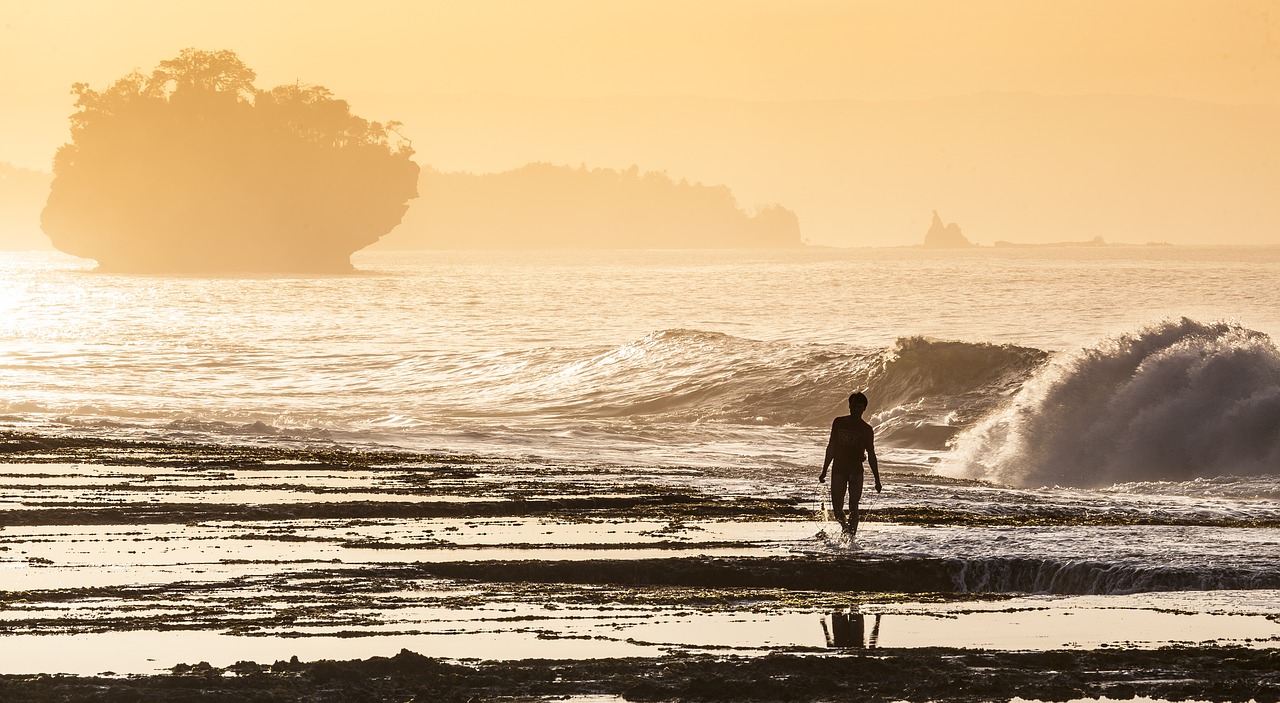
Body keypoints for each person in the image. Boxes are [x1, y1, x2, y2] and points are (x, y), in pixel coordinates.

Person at [819, 391, 881, 535]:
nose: (856, 410)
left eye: (859, 407)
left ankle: (850, 537)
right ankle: (845, 529)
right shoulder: (839, 422)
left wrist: (877, 480)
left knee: (854, 506)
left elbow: (871, 454)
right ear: (849, 406)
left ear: (864, 409)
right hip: (839, 468)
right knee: (837, 509)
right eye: (854, 406)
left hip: (856, 471)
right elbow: (831, 447)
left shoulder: (866, 430)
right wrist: (824, 470)